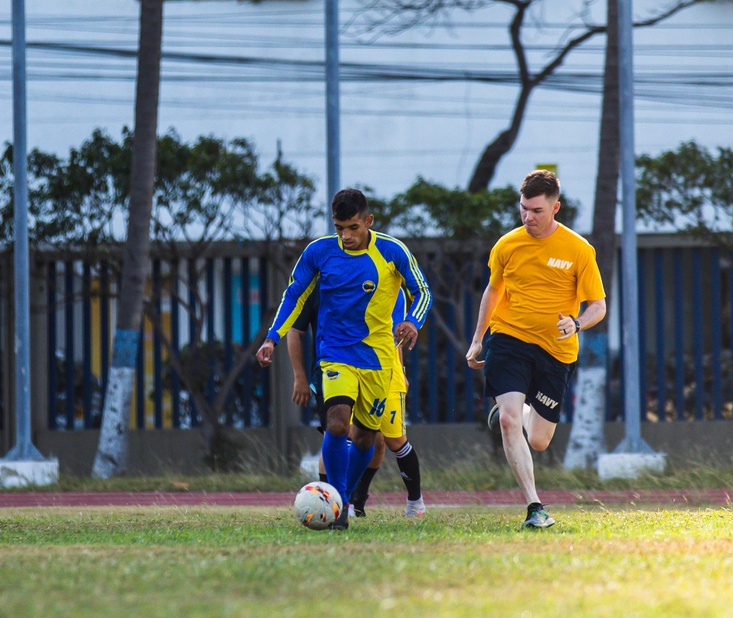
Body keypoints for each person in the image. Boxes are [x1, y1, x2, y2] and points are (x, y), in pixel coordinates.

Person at [257, 188, 432, 529]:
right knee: (337, 423)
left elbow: (421, 290)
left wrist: (413, 320)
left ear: (368, 221)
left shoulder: (392, 251)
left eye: (353, 227)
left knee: (368, 438)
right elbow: (293, 295)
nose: (346, 236)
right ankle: (337, 502)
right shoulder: (318, 252)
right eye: (339, 228)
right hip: (334, 355)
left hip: (379, 359)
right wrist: (271, 338)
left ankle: (346, 496)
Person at [465, 169, 606, 528]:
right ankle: (534, 506)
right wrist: (479, 338)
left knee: (539, 440)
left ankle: (518, 410)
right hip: (509, 339)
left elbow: (598, 306)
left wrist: (576, 323)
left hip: (556, 353)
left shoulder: (578, 250)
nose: (528, 217)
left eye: (537, 211)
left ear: (555, 207)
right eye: (524, 209)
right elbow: (493, 292)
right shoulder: (507, 245)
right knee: (511, 421)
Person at [285, 282, 426, 518]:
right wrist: (299, 376)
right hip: (338, 367)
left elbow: (392, 334)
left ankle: (403, 502)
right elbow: (294, 330)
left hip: (382, 369)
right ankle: (337, 502)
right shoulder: (318, 284)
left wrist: (400, 369)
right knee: (340, 431)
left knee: (386, 440)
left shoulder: (389, 284)